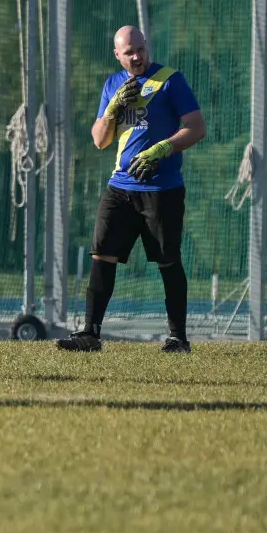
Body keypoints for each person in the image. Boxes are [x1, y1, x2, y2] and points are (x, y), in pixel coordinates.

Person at [57, 25, 206, 353]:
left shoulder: (169, 79)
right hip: (120, 187)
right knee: (102, 254)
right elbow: (100, 140)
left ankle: (178, 339)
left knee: (168, 260)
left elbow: (197, 128)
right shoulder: (113, 84)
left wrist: (161, 150)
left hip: (162, 188)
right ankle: (90, 335)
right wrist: (112, 109)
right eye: (129, 52)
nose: (137, 56)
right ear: (117, 55)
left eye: (140, 48)